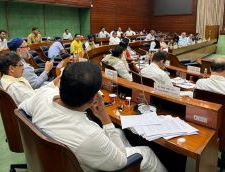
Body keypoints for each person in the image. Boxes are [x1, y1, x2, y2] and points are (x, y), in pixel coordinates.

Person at [18, 62, 166, 172]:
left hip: (55, 158)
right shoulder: (89, 134)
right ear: (93, 99)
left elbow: (21, 109)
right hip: (85, 163)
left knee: (119, 133)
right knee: (147, 152)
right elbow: (121, 162)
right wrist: (104, 117)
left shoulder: (44, 95)